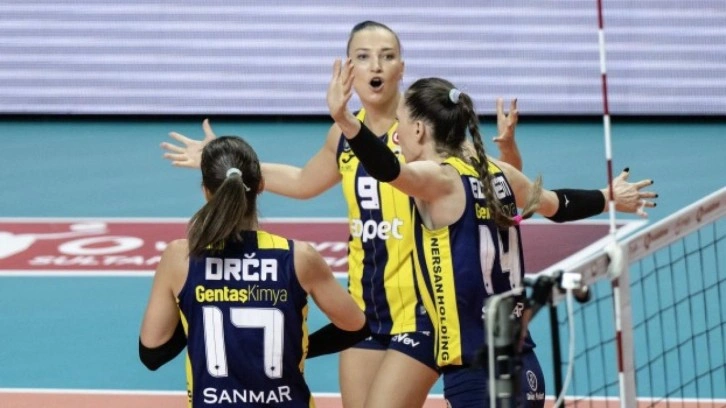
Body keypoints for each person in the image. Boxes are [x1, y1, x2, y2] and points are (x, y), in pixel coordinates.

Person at [161, 21, 525, 408]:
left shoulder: (423, 132)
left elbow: (497, 180)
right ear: (348, 68)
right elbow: (303, 181)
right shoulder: (343, 136)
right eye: (363, 57)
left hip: (421, 312)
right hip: (366, 310)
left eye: (387, 57)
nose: (376, 66)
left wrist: (509, 153)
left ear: (402, 68)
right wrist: (227, 166)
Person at [325, 59, 657, 407]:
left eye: (400, 125)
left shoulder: (438, 179)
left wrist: (344, 119)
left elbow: (387, 168)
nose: (397, 136)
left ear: (419, 130)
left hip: (478, 375)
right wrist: (606, 196)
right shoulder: (499, 173)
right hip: (524, 364)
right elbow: (558, 205)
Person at [139, 135, 370, 407]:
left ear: (206, 191)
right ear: (260, 185)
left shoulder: (182, 257)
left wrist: (197, 307)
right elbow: (356, 327)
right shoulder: (299, 258)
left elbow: (152, 353)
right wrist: (299, 348)